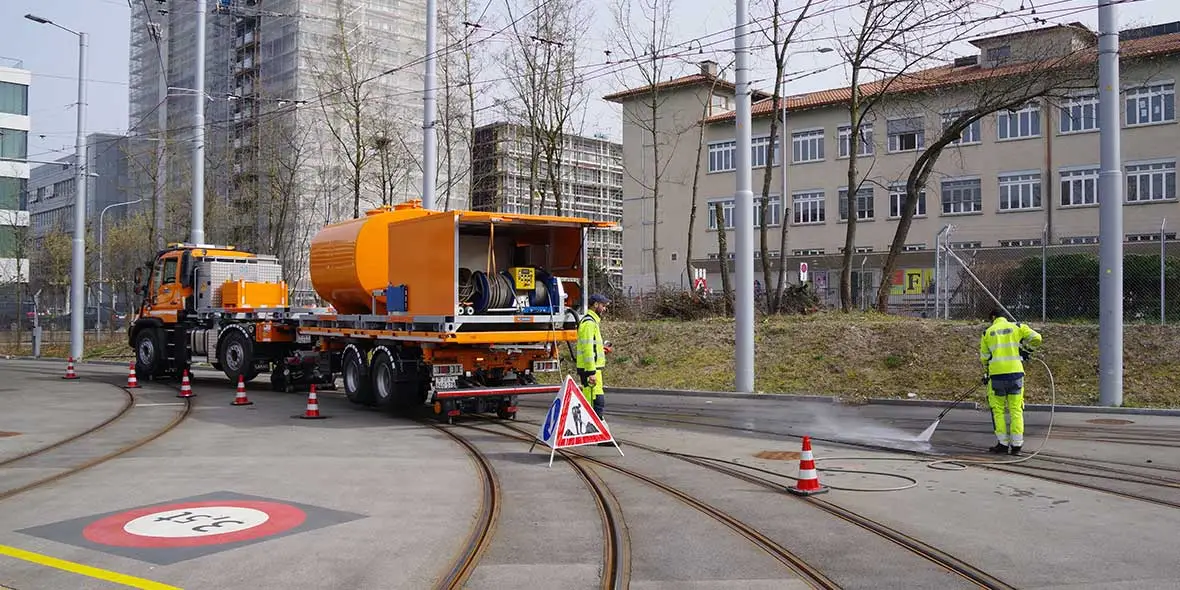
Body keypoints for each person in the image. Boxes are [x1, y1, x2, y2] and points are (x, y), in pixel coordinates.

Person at [979, 307, 1043, 455]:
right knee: (1016, 410)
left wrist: (987, 372)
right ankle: (1017, 445)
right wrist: (1026, 351)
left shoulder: (987, 332)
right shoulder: (1018, 327)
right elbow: (1037, 338)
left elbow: (984, 357)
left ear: (993, 317)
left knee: (998, 410)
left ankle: (1002, 443)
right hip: (1016, 375)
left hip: (997, 377)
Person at [576, 293, 610, 425]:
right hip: (591, 370)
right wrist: (591, 372)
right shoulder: (589, 323)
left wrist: (602, 350)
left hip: (594, 370)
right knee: (595, 401)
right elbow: (587, 349)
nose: (605, 308)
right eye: (603, 305)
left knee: (596, 401)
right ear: (595, 305)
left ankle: (597, 431)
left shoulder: (592, 322)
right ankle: (596, 431)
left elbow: (592, 348)